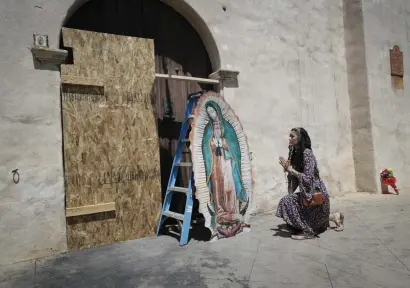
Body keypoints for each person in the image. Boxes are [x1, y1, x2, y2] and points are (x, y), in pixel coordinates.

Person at [275, 127, 344, 240]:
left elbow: (308, 179)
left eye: (292, 136)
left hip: (316, 193)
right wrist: (289, 173)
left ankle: (308, 231)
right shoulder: (296, 154)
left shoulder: (307, 153)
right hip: (307, 193)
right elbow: (293, 187)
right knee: (287, 200)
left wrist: (292, 170)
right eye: (290, 136)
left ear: (300, 138)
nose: (290, 138)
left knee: (287, 203)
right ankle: (334, 217)